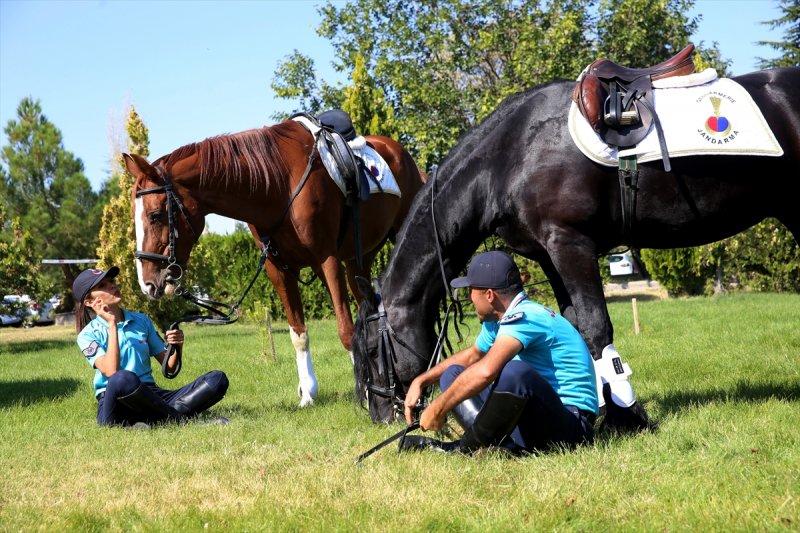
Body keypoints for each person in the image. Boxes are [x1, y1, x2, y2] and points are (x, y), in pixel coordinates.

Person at [401, 251, 598, 454]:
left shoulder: (526, 317)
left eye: (471, 290)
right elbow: (473, 355)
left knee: (515, 373)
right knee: (453, 374)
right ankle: (499, 446)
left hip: (572, 424)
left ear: (489, 295)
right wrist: (421, 381)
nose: (469, 297)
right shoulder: (499, 318)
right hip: (538, 416)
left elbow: (486, 370)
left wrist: (437, 407)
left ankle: (464, 449)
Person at [73, 266, 229, 428]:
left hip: (151, 394)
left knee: (216, 379)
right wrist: (112, 324)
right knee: (122, 378)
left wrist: (176, 346)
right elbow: (111, 371)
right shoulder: (87, 335)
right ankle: (180, 421)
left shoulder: (142, 320)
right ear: (89, 302)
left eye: (111, 281)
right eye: (102, 286)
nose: (112, 286)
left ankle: (150, 422)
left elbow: (169, 368)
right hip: (117, 402)